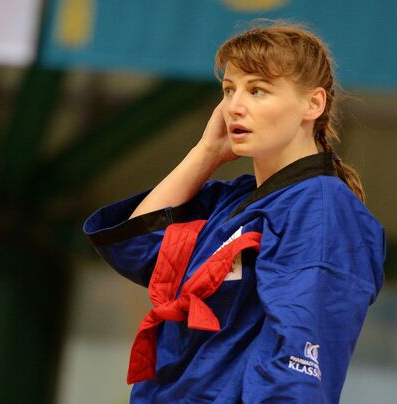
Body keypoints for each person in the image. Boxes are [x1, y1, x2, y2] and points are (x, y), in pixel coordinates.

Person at [83, 20, 385, 403]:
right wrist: (206, 152)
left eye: (257, 90)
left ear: (313, 104)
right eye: (229, 90)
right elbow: (138, 248)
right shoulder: (234, 200)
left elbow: (296, 363)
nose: (234, 107)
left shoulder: (322, 208)